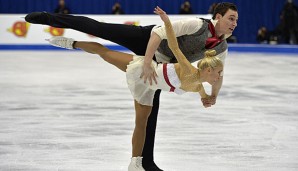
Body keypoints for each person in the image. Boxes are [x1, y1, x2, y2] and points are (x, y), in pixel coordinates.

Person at [24, 2, 238, 170]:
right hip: (147, 39)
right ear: (217, 17)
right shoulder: (198, 25)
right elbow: (160, 33)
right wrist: (146, 61)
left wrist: (213, 95)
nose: (234, 23)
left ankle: (146, 162)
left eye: (236, 20)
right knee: (100, 29)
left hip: (160, 63)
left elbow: (219, 72)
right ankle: (49, 18)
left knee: (150, 116)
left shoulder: (221, 47)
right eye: (231, 18)